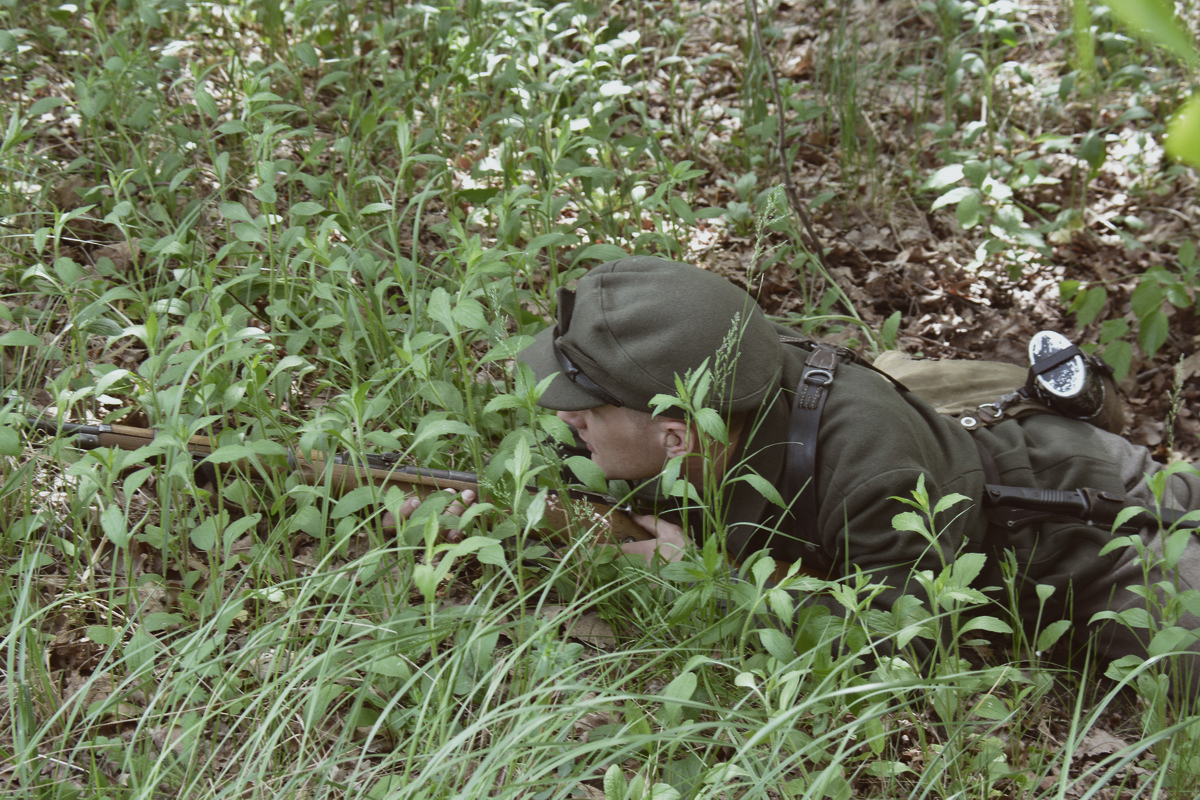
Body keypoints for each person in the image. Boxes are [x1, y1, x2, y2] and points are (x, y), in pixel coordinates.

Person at [507, 255, 1200, 692]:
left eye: (586, 408)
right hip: (962, 454)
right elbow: (574, 478)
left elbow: (905, 641)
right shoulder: (715, 375)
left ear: (677, 434)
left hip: (1085, 520)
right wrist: (506, 512)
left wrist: (711, 583)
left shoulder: (868, 472)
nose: (565, 419)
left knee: (1179, 662)